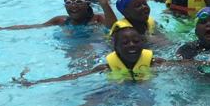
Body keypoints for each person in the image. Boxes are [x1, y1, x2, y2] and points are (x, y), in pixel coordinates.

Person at [16, 25, 169, 85]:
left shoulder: (154, 62)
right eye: (125, 43)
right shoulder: (106, 68)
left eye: (136, 41)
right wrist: (36, 82)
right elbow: (74, 76)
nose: (131, 45)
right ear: (115, 48)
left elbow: (177, 64)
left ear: (142, 44)